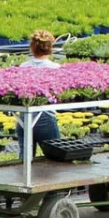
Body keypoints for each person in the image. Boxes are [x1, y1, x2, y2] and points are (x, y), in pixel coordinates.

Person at [18, 29, 62, 157]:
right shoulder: (55, 68)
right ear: (50, 48)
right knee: (55, 158)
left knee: (25, 159)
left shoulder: (23, 67)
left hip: (24, 117)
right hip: (45, 117)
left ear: (32, 47)